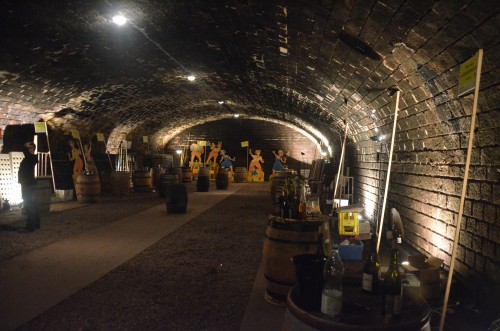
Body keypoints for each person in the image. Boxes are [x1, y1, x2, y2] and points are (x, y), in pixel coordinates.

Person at [18, 142, 40, 232]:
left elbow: (24, 150)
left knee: (29, 205)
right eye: (28, 147)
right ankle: (36, 223)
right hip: (28, 183)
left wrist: (25, 145)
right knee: (32, 204)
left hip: (28, 184)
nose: (28, 148)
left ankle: (30, 226)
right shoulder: (30, 158)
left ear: (32, 149)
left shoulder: (30, 157)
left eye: (30, 147)